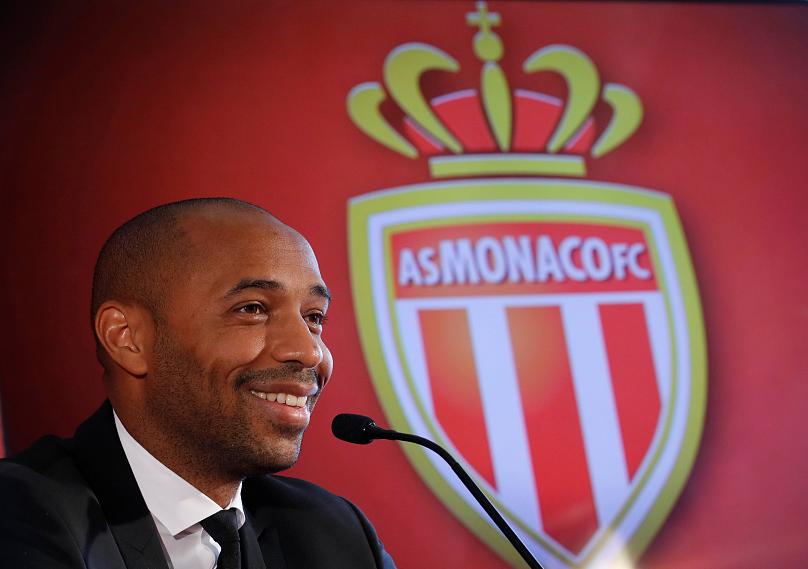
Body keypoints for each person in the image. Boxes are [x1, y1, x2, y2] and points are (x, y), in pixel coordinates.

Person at [0, 197, 396, 569]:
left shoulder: (337, 535)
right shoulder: (19, 517)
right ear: (128, 338)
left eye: (314, 317)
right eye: (253, 309)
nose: (310, 352)